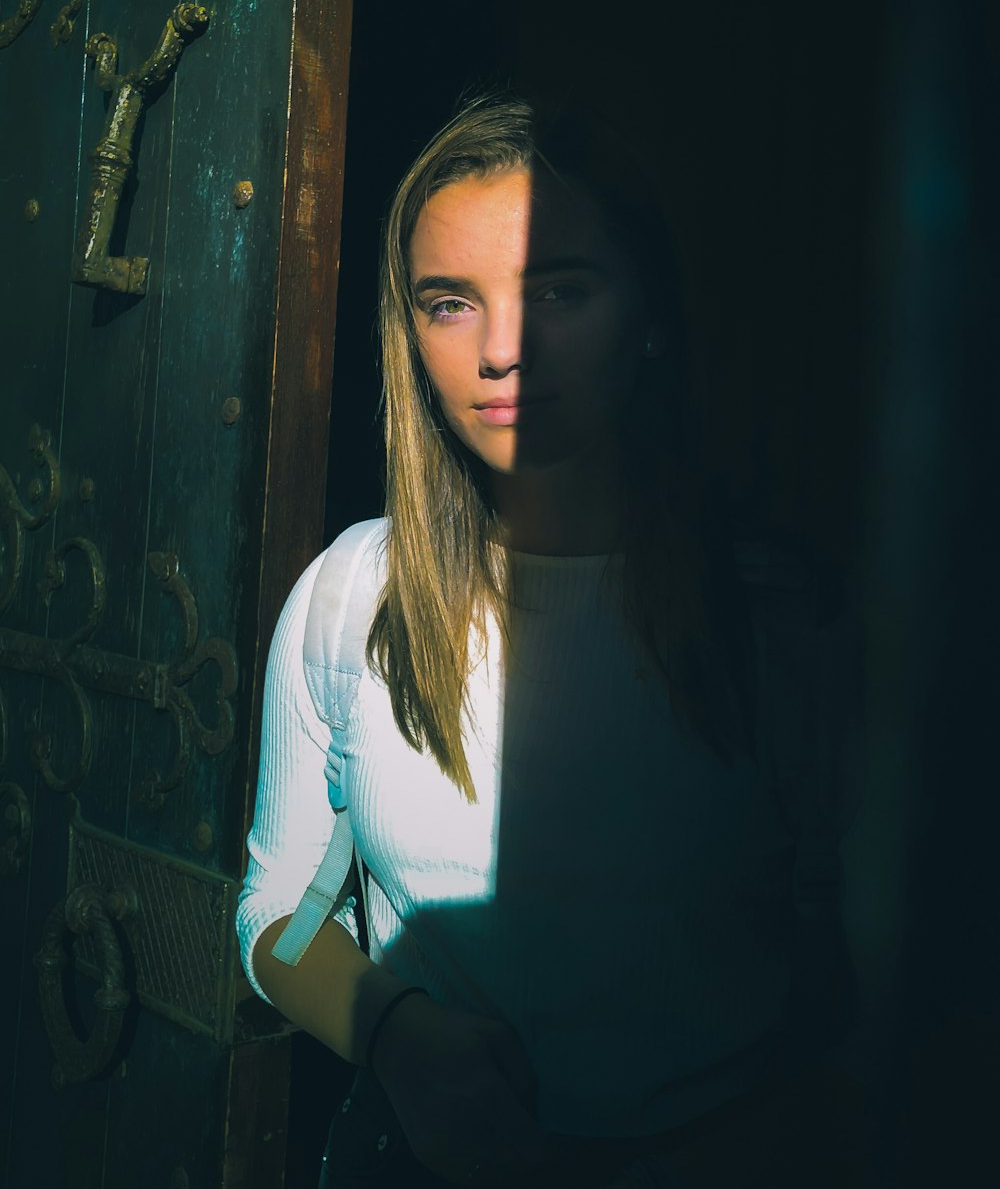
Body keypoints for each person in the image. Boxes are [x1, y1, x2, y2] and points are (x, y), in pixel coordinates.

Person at [237, 94, 870, 1187]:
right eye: (448, 302)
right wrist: (395, 1033)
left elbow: (865, 964)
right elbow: (273, 910)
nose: (501, 351)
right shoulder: (352, 595)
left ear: (650, 311)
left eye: (557, 290)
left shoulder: (779, 623)